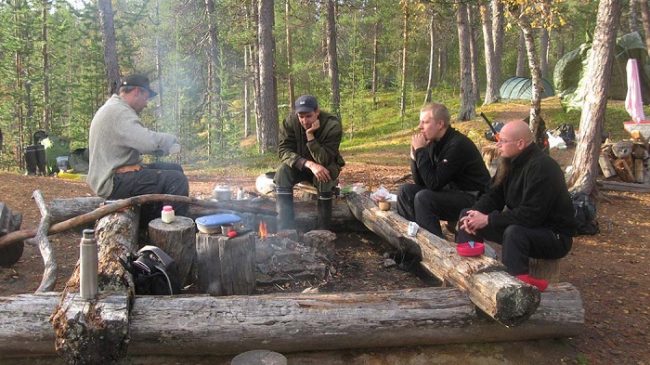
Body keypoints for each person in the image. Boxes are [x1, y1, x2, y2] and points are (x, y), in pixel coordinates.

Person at [456, 120, 576, 291]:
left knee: (514, 233)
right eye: (498, 139)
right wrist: (477, 213)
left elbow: (531, 215)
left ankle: (515, 289)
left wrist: (489, 219)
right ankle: (473, 273)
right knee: (467, 214)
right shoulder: (509, 161)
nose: (498, 144)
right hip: (525, 226)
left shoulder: (543, 167)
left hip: (553, 236)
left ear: (520, 144)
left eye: (503, 141)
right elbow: (494, 196)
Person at [87, 74, 189, 226]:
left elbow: (139, 143)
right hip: (112, 181)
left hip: (114, 174)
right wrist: (170, 140)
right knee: (177, 180)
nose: (146, 103)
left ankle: (152, 220)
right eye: (146, 97)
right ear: (136, 92)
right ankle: (171, 231)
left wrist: (163, 149)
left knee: (175, 169)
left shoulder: (114, 108)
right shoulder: (119, 112)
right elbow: (146, 142)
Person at [397, 103, 491, 238]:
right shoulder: (433, 142)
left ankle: (435, 246)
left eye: (425, 122)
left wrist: (421, 152)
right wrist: (415, 156)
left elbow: (433, 183)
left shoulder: (456, 145)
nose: (420, 127)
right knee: (405, 191)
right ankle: (411, 241)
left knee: (424, 198)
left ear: (440, 124)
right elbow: (421, 181)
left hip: (473, 198)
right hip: (452, 192)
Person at [275, 95, 345, 230]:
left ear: (317, 112)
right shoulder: (290, 122)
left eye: (308, 116)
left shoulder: (332, 125)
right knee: (282, 172)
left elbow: (325, 159)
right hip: (301, 165)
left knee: (325, 176)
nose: (304, 121)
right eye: (301, 116)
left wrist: (310, 136)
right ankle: (285, 229)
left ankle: (323, 231)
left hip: (325, 165)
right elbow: (283, 150)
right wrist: (309, 164)